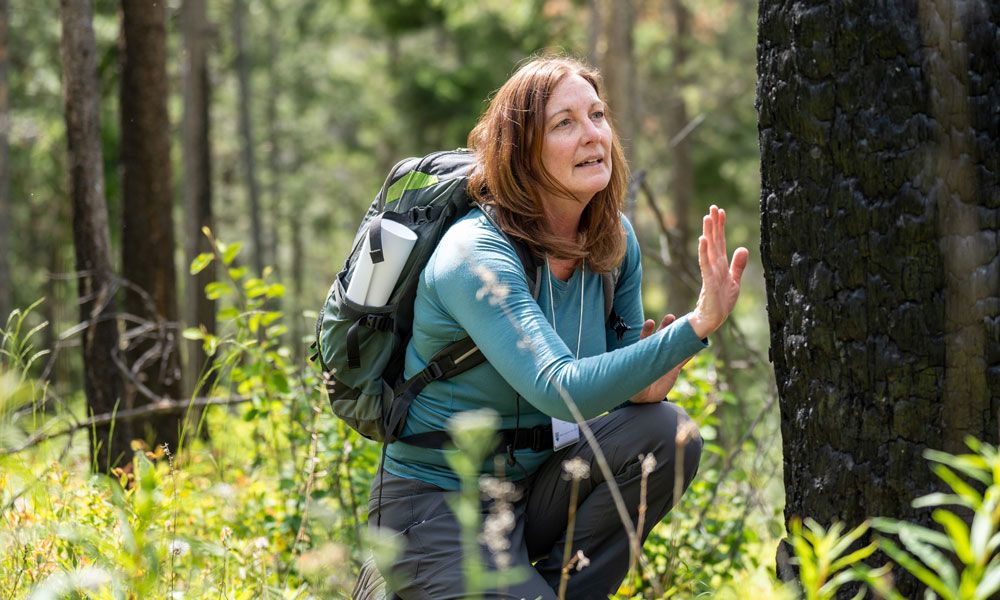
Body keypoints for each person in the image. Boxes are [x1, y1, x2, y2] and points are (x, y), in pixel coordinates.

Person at [366, 55, 749, 600]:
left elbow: (618, 385)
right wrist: (697, 324)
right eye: (564, 123)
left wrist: (642, 386)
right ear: (522, 153)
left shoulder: (612, 242)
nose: (592, 134)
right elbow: (560, 388)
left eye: (596, 115)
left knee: (664, 432)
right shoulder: (475, 254)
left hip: (531, 489)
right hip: (434, 504)